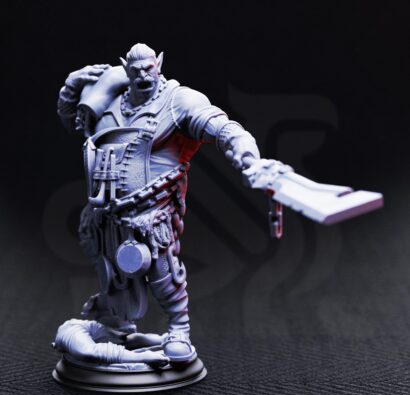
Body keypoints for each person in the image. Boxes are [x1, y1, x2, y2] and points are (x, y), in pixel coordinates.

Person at [57, 43, 283, 363]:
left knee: (162, 270)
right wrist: (71, 87)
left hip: (151, 213)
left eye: (149, 68)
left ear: (159, 64)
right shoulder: (109, 101)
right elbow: (73, 123)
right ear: (125, 68)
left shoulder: (178, 102)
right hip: (103, 214)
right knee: (109, 269)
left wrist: (248, 157)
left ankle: (179, 328)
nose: (143, 75)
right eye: (136, 70)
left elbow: (223, 128)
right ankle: (117, 321)